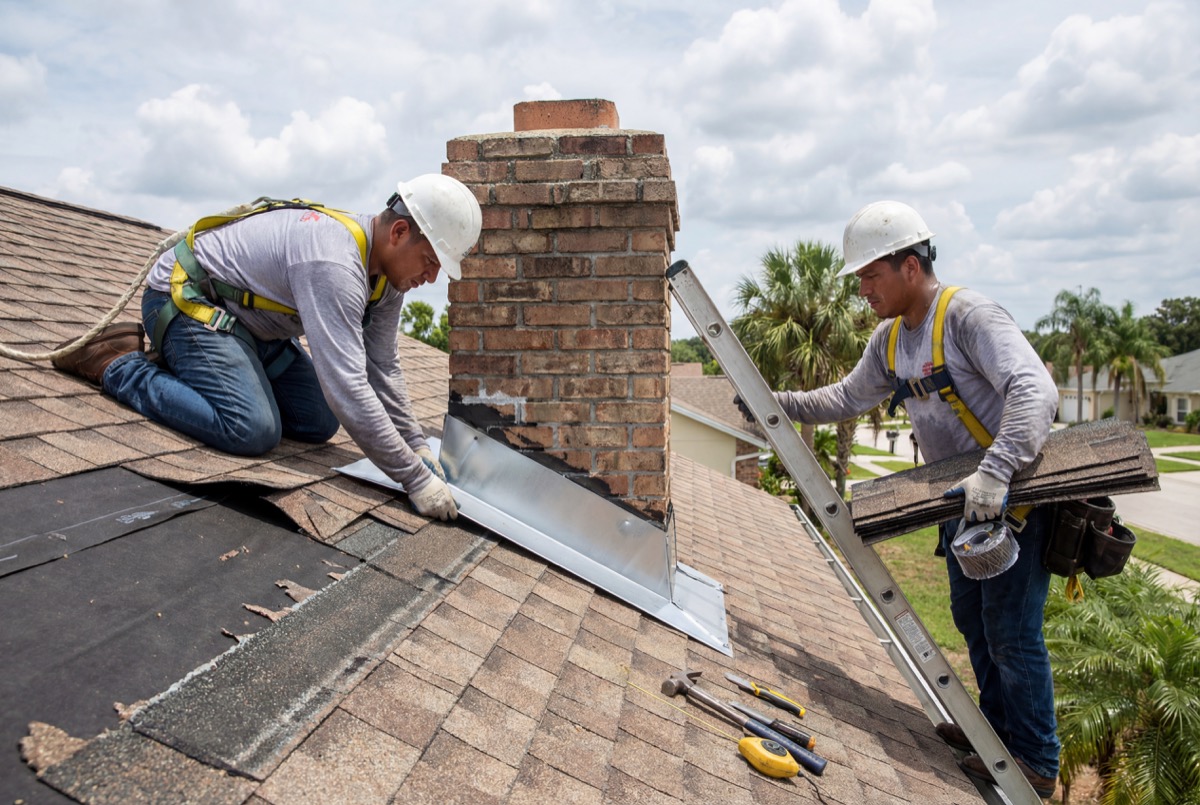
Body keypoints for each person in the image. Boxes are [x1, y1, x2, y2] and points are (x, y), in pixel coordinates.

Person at [737, 200, 1059, 797]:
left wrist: (995, 472)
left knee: (1011, 632)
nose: (862, 289)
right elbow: (845, 398)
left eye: (869, 275)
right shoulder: (891, 340)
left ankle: (1035, 761)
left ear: (910, 265)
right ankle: (995, 733)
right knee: (973, 622)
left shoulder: (967, 317)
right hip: (959, 509)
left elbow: (1035, 391)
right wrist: (774, 402)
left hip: (1011, 504)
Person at [52, 174, 481, 522]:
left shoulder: (386, 280)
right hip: (184, 301)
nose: (430, 278)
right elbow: (349, 386)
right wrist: (413, 478)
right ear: (400, 232)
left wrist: (417, 444)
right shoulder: (333, 263)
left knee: (318, 419)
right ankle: (119, 365)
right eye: (430, 261)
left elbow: (381, 365)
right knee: (252, 428)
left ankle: (222, 370)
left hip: (250, 327)